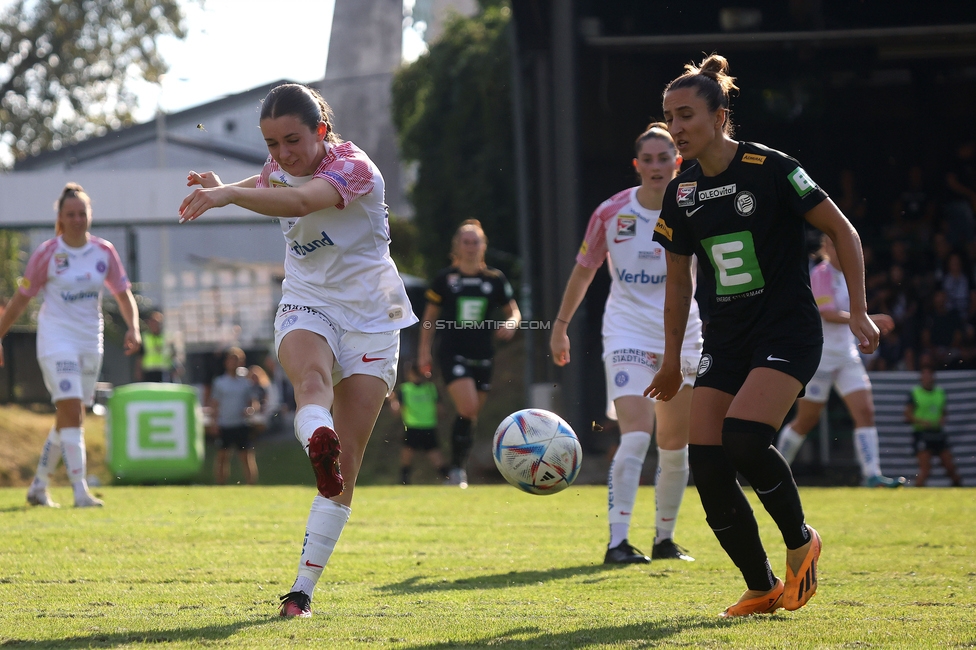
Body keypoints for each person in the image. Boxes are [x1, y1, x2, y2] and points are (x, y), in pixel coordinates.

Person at [646, 54, 880, 617]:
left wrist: (860, 312)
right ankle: (761, 586)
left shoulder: (772, 168)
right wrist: (673, 359)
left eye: (685, 115)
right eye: (668, 117)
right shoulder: (680, 194)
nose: (675, 127)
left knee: (744, 439)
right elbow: (678, 286)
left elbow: (842, 232)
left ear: (720, 116)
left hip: (786, 330)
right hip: (726, 340)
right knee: (707, 462)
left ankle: (802, 542)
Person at [178, 83, 417, 618]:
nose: (282, 154)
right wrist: (227, 185)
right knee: (310, 384)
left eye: (292, 140)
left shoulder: (356, 169)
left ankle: (302, 590)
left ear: (321, 132)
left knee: (346, 464)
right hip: (309, 302)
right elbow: (268, 181)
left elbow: (302, 199)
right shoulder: (278, 166)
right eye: (271, 143)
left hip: (375, 316)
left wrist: (230, 196)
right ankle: (318, 435)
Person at [550, 122, 701, 565]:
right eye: (648, 160)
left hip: (683, 334)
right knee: (637, 436)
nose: (657, 166)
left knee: (675, 446)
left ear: (679, 161)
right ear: (637, 166)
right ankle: (617, 543)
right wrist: (560, 325)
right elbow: (584, 269)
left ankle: (665, 540)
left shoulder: (696, 206)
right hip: (627, 333)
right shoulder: (611, 212)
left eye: (665, 157)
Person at [0, 183, 141, 508]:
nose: (77, 219)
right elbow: (22, 299)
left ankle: (38, 486)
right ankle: (80, 491)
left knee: (70, 416)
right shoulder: (48, 253)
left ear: (89, 215)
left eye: (82, 213)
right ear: (60, 218)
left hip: (90, 341)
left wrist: (133, 327)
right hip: (56, 340)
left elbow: (122, 294)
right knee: (70, 410)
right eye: (70, 214)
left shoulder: (104, 252)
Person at [776, 235, 906, 488]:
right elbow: (826, 312)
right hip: (821, 357)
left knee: (865, 412)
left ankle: (871, 475)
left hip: (847, 356)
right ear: (826, 248)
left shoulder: (849, 275)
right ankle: (775, 472)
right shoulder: (821, 273)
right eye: (834, 245)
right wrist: (867, 320)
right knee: (806, 421)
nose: (839, 250)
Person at [417, 220, 521, 488]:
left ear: (483, 246)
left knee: (470, 415)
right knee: (468, 406)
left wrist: (511, 323)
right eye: (466, 242)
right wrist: (423, 353)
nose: (471, 247)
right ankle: (457, 470)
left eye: (476, 242)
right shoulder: (445, 279)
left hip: (483, 353)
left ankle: (457, 468)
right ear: (457, 247)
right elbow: (429, 318)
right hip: (452, 352)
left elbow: (514, 311)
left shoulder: (494, 279)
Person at [386, 362, 449, 485]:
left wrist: (392, 399)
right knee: (435, 455)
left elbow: (396, 411)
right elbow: (441, 410)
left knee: (407, 456)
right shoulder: (430, 388)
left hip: (414, 426)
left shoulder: (405, 389)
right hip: (427, 426)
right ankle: (449, 479)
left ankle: (404, 481)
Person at [905, 363, 962, 487]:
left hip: (937, 433)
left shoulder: (940, 392)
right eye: (924, 375)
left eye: (929, 375)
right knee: (925, 469)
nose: (927, 378)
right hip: (922, 434)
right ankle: (916, 494)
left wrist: (942, 419)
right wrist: (922, 422)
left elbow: (943, 412)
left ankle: (960, 491)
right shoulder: (915, 393)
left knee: (950, 467)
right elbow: (907, 415)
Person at [209, 347, 260, 486]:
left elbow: (254, 402)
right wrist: (214, 423)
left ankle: (251, 485)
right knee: (222, 457)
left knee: (246, 457)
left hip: (241, 424)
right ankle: (221, 484)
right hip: (225, 424)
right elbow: (215, 404)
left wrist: (251, 410)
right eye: (231, 359)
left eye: (237, 360)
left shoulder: (246, 382)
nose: (234, 363)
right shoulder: (220, 382)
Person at [136, 311, 175, 382]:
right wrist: (138, 370)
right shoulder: (145, 337)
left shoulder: (167, 337)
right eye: (152, 323)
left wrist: (175, 368)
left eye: (156, 323)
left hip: (164, 370)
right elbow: (140, 355)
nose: (153, 325)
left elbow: (173, 354)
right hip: (149, 370)